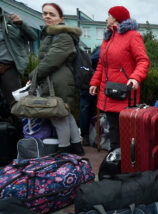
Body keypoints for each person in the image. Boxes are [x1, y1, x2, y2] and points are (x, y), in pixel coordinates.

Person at [89, 6, 150, 150]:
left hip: (125, 92)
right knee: (113, 130)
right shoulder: (108, 38)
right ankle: (115, 159)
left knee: (126, 132)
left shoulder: (132, 35)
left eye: (108, 15)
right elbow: (101, 65)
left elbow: (143, 60)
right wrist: (94, 82)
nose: (106, 18)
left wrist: (135, 77)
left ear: (116, 18)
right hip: (108, 91)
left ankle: (128, 162)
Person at [30, 3, 84, 154]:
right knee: (65, 114)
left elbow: (50, 61)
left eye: (52, 14)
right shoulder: (52, 35)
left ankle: (64, 150)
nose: (47, 16)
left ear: (61, 18)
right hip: (57, 80)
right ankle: (77, 148)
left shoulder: (62, 36)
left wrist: (33, 76)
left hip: (57, 81)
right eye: (45, 13)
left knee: (57, 115)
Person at [0, 7, 37, 107]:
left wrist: (21, 24)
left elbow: (33, 37)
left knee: (15, 103)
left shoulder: (11, 21)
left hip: (7, 69)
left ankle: (18, 122)